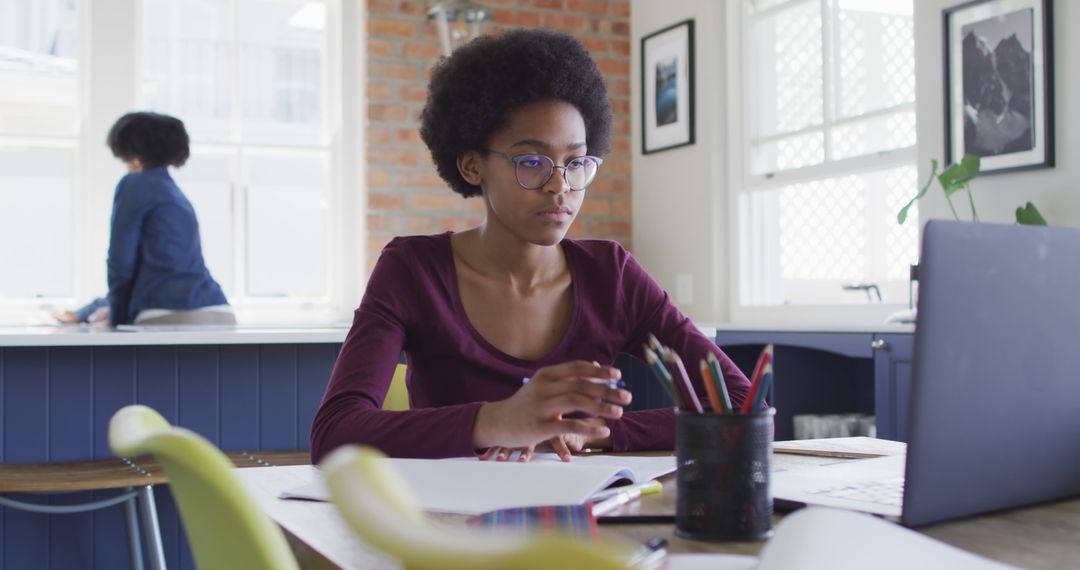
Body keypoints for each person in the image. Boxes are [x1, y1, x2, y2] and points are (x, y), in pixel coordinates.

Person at [310, 29, 749, 464]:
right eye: (532, 162)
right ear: (472, 165)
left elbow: (743, 402)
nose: (559, 186)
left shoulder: (612, 275)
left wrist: (591, 435)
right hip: (450, 522)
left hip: (582, 516)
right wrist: (497, 421)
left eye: (576, 163)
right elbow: (334, 433)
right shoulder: (412, 270)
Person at [55, 112, 234, 326]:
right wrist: (88, 311)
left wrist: (118, 320)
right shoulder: (175, 195)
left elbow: (121, 265)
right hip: (219, 311)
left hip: (168, 313)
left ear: (133, 154)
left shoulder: (136, 183)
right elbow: (166, 271)